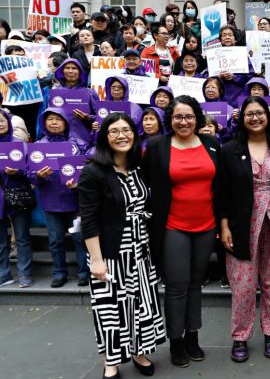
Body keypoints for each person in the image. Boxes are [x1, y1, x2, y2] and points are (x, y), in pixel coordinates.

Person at [78, 113, 166, 378]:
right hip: (111, 252)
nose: (121, 135)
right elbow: (89, 219)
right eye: (114, 131)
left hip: (141, 250)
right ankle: (111, 362)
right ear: (105, 137)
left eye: (126, 130)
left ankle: (139, 352)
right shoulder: (93, 171)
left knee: (142, 304)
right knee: (111, 308)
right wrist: (96, 259)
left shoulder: (138, 167)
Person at [141, 95, 223, 368]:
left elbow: (220, 184)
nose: (184, 121)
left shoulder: (211, 144)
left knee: (195, 285)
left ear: (197, 118)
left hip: (206, 226)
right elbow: (144, 183)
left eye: (188, 116)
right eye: (178, 117)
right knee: (176, 287)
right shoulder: (157, 146)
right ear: (170, 119)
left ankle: (192, 337)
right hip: (173, 226)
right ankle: (175, 341)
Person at [219, 97, 270, 363]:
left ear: (269, 116)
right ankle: (240, 337)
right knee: (243, 283)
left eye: (260, 113)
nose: (255, 118)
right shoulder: (229, 149)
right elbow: (222, 191)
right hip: (241, 222)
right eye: (249, 114)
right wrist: (224, 225)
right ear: (242, 117)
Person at [31, 107, 90, 288]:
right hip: (51, 201)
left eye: (58, 119)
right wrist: (37, 176)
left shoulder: (78, 144)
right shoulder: (39, 146)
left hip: (75, 200)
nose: (54, 123)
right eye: (50, 119)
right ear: (44, 123)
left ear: (65, 122)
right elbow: (29, 173)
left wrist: (79, 183)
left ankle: (84, 272)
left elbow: (86, 170)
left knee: (79, 238)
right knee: (55, 240)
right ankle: (59, 272)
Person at [0, 109, 33, 288]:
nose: (0, 123)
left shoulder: (20, 144)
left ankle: (25, 274)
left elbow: (31, 171)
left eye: (2, 120)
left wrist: (17, 172)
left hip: (19, 194)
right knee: (0, 241)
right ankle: (4, 275)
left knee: (22, 237)